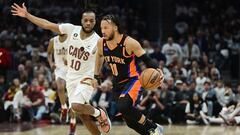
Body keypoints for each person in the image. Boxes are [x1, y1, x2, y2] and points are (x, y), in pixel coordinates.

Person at [11, 3, 111, 134]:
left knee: (75, 106)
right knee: (84, 117)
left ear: (95, 22)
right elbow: (47, 24)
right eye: (85, 20)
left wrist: (96, 77)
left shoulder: (98, 41)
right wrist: (27, 15)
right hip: (71, 77)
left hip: (86, 77)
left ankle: (99, 113)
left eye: (91, 21)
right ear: (81, 20)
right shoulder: (71, 29)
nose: (88, 23)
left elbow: (101, 58)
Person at [93, 14, 164, 135]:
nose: (103, 31)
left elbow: (147, 59)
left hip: (133, 80)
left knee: (123, 107)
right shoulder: (101, 43)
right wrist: (96, 76)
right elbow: (99, 56)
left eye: (106, 28)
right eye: (101, 28)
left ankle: (154, 126)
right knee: (130, 122)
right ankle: (152, 133)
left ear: (115, 27)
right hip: (117, 84)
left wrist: (158, 69)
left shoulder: (129, 42)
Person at [47, 34, 78, 135]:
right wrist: (51, 63)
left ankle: (73, 123)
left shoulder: (72, 40)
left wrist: (70, 60)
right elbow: (48, 54)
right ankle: (64, 107)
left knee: (72, 99)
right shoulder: (53, 40)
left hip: (71, 70)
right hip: (59, 69)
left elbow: (78, 55)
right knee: (60, 88)